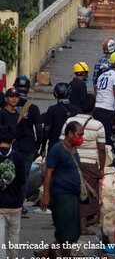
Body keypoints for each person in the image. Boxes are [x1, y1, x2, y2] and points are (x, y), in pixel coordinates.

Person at [59, 96, 105, 236]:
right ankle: (82, 226)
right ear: (93, 108)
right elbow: (101, 148)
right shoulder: (98, 125)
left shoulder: (69, 121)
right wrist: (101, 168)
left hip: (70, 161)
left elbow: (61, 141)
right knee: (86, 195)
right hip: (90, 164)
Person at [40, 121, 85, 258]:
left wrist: (88, 188)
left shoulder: (73, 149)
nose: (81, 138)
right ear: (70, 133)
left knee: (73, 231)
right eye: (79, 134)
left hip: (73, 195)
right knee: (66, 233)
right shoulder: (57, 149)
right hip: (62, 195)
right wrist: (46, 195)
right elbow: (48, 172)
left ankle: (47, 253)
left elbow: (76, 170)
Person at [1, 83, 42, 215]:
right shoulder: (4, 113)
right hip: (13, 149)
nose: (14, 99)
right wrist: (38, 145)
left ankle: (18, 203)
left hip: (22, 149)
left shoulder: (16, 113)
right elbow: (39, 129)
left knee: (20, 177)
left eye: (16, 96)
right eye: (11, 96)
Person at [0, 125, 25, 259]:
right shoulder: (18, 157)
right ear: (13, 140)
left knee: (0, 239)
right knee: (14, 235)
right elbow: (21, 181)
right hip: (15, 204)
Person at [94, 57, 115, 144]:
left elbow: (96, 91)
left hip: (97, 108)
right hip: (107, 110)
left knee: (97, 134)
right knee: (106, 137)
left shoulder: (102, 75)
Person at [42, 83, 80, 153]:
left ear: (55, 94)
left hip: (54, 146)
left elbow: (46, 130)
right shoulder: (77, 110)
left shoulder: (52, 110)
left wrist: (43, 147)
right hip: (71, 147)